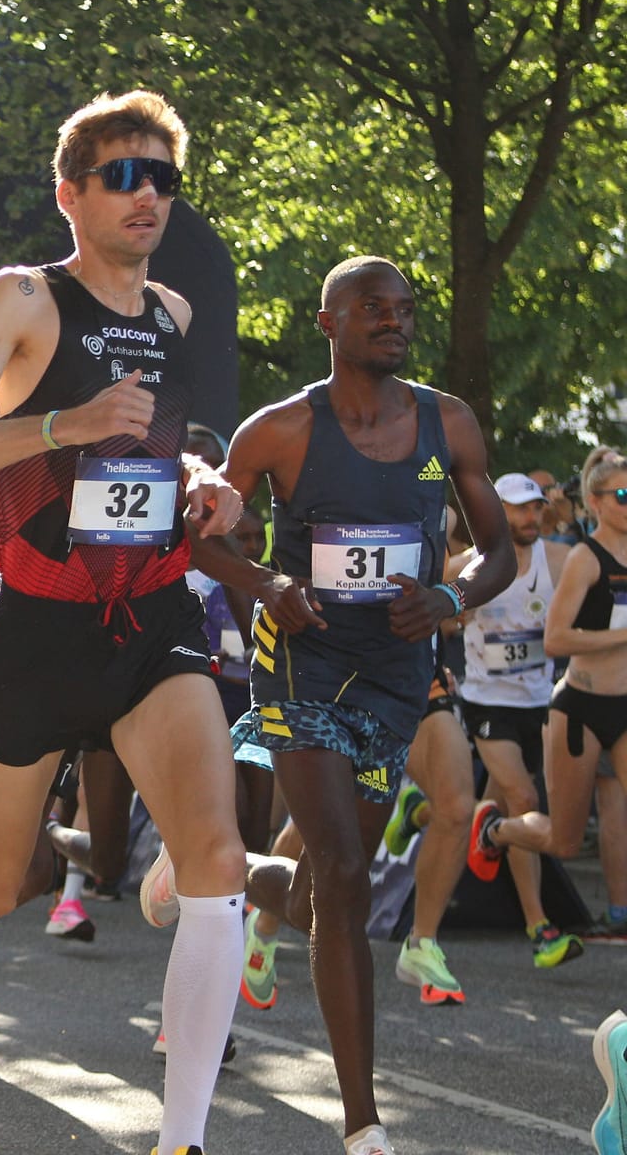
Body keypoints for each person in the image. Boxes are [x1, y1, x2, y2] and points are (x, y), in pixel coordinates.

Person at [0, 90, 246, 1155]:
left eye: (162, 178)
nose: (148, 196)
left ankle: (179, 1137)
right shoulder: (25, 299)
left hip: (151, 620)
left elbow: (155, 453)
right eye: (124, 176)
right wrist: (64, 421)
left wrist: (203, 484)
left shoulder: (176, 316)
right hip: (39, 631)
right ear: (71, 194)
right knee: (1, 877)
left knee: (217, 863)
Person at [215, 255, 513, 1155]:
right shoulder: (276, 431)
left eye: (405, 309)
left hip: (395, 673)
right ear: (329, 322)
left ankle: (221, 873)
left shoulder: (446, 422)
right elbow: (205, 546)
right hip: (301, 664)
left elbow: (499, 552)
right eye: (374, 309)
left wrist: (453, 599)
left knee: (326, 893)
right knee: (344, 874)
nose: (396, 320)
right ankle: (363, 1124)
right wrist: (267, 581)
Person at [471, 452, 627, 937]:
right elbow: (557, 640)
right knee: (563, 839)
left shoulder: (565, 555)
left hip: (617, 704)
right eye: (622, 495)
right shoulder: (583, 558)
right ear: (596, 503)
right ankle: (495, 830)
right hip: (577, 707)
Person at [453, 473, 583, 968]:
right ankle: (539, 927)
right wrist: (453, 613)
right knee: (524, 799)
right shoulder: (470, 565)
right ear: (494, 511)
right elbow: (435, 614)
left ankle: (425, 813)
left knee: (496, 806)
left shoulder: (561, 559)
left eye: (534, 509)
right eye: (518, 509)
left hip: (541, 702)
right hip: (488, 704)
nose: (529, 518)